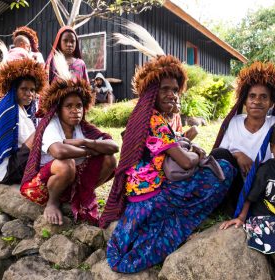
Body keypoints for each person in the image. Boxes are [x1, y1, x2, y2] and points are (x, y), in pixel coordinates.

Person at [99, 22, 235, 273]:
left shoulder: (146, 116)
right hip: (154, 197)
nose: (172, 94)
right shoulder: (154, 120)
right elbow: (183, 163)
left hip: (140, 195)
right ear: (151, 92)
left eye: (175, 90)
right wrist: (196, 153)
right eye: (165, 89)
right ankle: (180, 223)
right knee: (223, 171)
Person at [20, 52, 118, 226]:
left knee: (109, 160)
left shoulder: (83, 128)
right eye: (69, 106)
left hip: (71, 180)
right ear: (59, 110)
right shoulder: (51, 124)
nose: (75, 110)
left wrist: (85, 142)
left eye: (79, 106)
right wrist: (91, 151)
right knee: (66, 164)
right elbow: (59, 151)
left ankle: (82, 194)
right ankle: (53, 202)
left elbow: (113, 146)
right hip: (46, 184)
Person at [211, 62, 275, 211]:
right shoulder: (234, 122)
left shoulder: (273, 124)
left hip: (261, 187)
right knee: (218, 154)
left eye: (263, 97)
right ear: (245, 101)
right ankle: (229, 205)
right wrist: (238, 154)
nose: (257, 101)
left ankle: (252, 208)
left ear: (271, 103)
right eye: (252, 96)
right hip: (237, 184)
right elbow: (219, 156)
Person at [220, 125, 275, 255]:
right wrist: (241, 218)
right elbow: (249, 197)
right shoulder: (266, 171)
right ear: (272, 148)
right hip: (264, 219)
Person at [0, 49, 47, 184]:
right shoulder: (10, 110)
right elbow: (29, 141)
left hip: (15, 161)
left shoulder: (21, 109)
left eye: (32, 90)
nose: (29, 94)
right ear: (14, 89)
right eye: (24, 89)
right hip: (6, 171)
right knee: (42, 130)